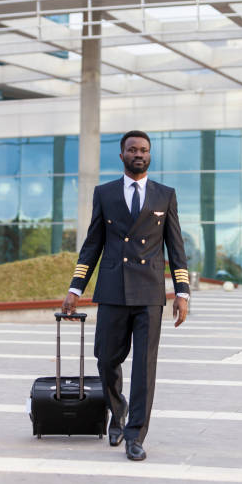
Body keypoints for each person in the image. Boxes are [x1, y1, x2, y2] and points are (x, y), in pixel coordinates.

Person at [62, 130, 190, 461]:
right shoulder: (104, 193)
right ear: (121, 155)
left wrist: (182, 292)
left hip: (149, 293)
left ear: (150, 155)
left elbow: (176, 248)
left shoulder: (165, 195)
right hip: (113, 291)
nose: (138, 154)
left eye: (144, 150)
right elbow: (93, 244)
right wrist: (75, 288)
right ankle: (116, 414)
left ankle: (135, 434)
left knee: (145, 367)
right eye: (132, 149)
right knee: (106, 359)